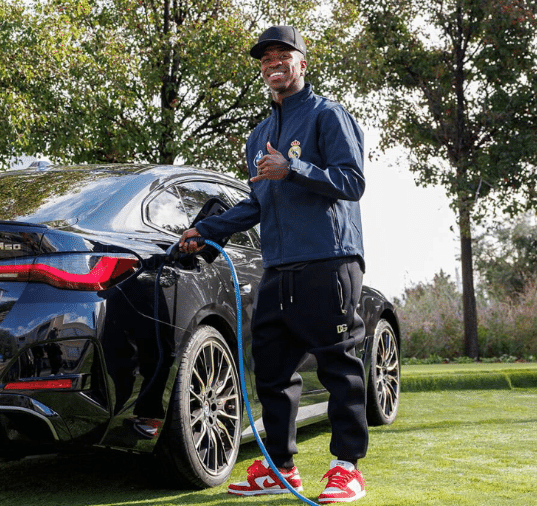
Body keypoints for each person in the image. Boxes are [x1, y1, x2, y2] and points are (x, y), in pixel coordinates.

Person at [177, 25, 369, 503]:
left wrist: (295, 168)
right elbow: (258, 202)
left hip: (330, 259)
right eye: (266, 59)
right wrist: (208, 230)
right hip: (278, 266)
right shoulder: (259, 135)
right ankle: (279, 468)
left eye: (283, 55)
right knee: (273, 369)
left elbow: (352, 181)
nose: (273, 64)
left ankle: (347, 468)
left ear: (302, 63)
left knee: (339, 365)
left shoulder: (328, 116)